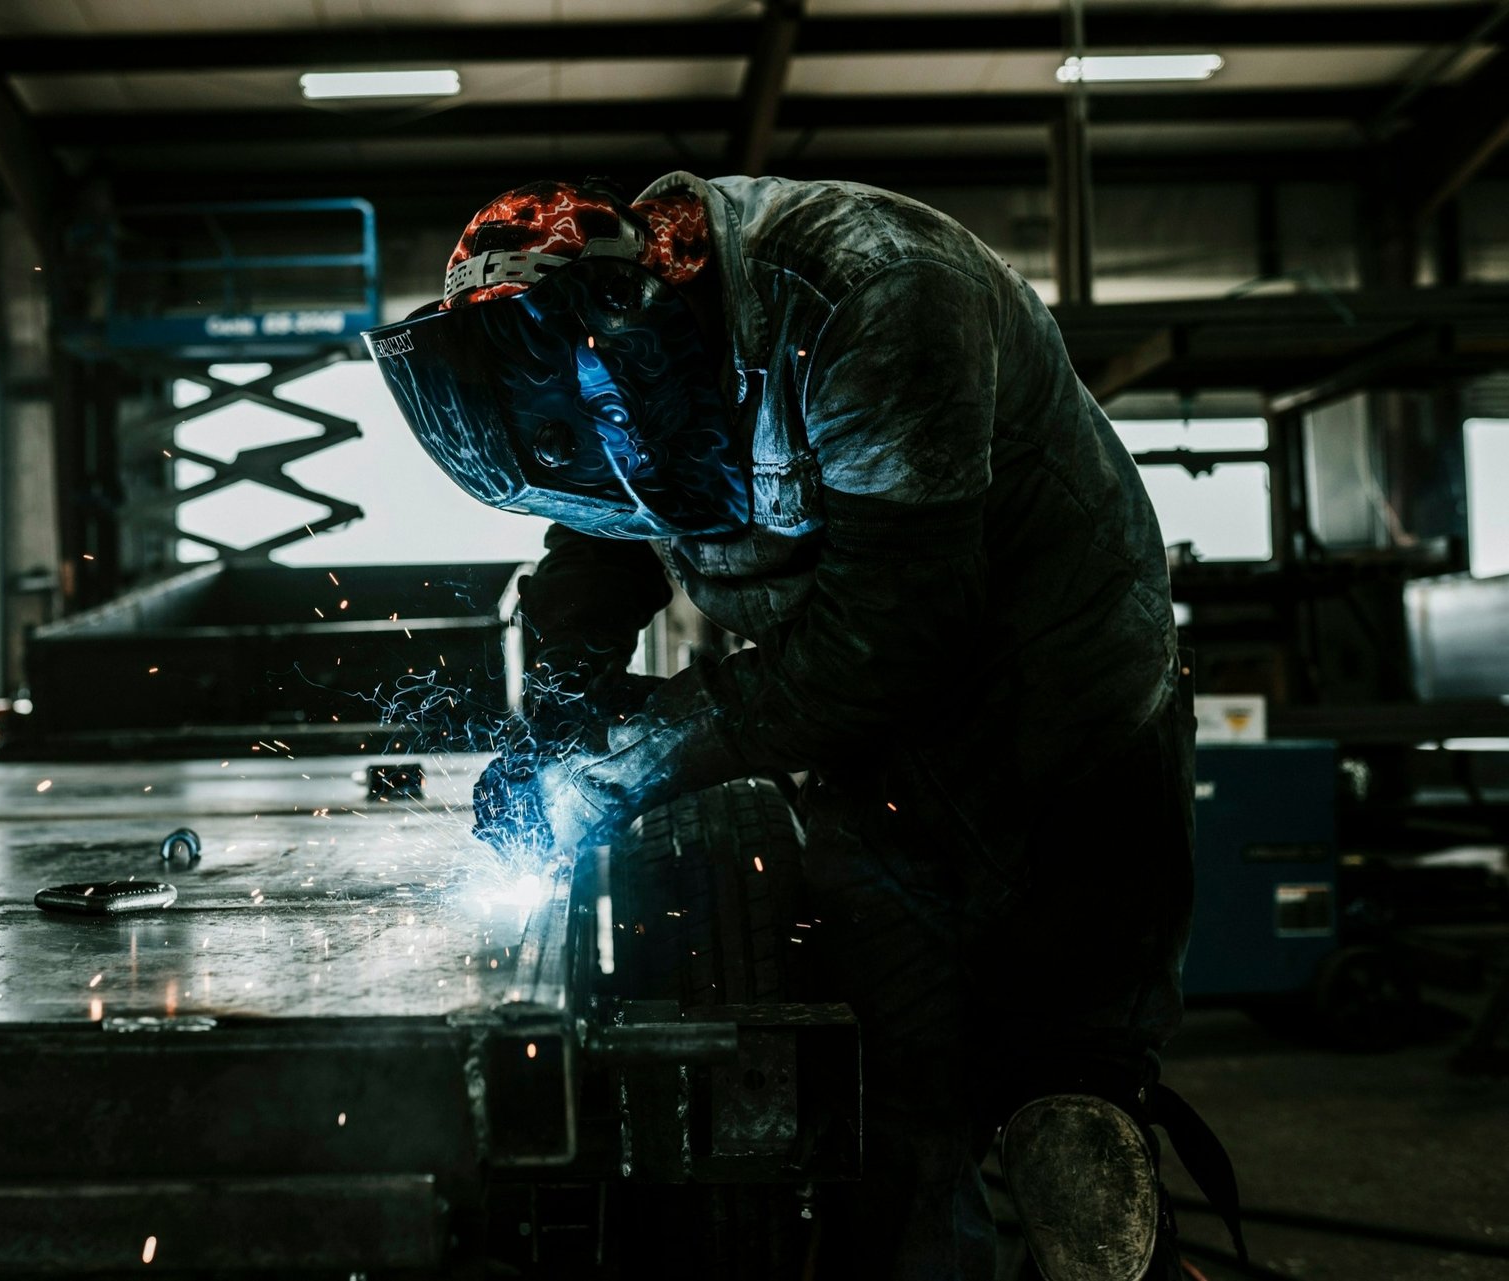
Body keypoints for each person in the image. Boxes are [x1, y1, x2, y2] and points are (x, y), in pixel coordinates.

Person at [365, 175, 1237, 1279]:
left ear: (634, 337)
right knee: (891, 1106)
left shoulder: (873, 291)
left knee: (1064, 1096)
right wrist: (553, 720)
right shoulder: (619, 358)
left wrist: (613, 774)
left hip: (1062, 727)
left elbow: (889, 640)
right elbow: (605, 535)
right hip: (865, 754)